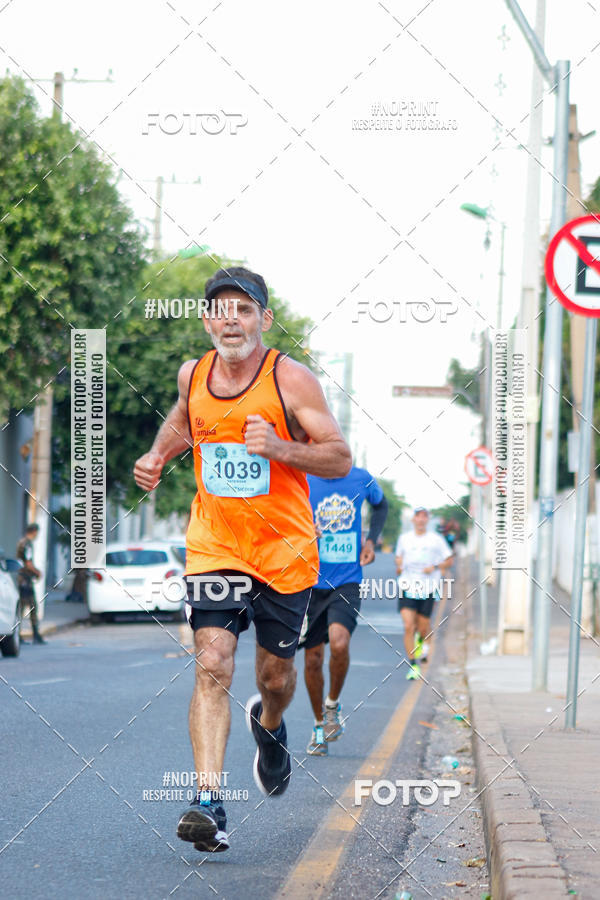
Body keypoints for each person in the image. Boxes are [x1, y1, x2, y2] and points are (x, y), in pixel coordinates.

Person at [133, 266, 351, 854]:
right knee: (214, 660)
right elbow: (185, 421)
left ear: (264, 320)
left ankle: (272, 725)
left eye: (244, 309)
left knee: (273, 678)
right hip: (216, 544)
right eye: (221, 309)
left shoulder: (291, 380)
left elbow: (338, 457)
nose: (232, 319)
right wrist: (157, 455)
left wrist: (279, 447)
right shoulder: (194, 374)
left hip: (284, 552)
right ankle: (209, 802)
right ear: (207, 321)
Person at [300, 467, 388, 755]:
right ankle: (317, 725)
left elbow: (381, 504)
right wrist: (301, 529)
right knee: (313, 659)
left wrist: (372, 540)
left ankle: (332, 706)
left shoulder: (361, 478)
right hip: (307, 581)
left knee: (339, 642)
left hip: (347, 580)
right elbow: (278, 512)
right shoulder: (302, 476)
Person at [395, 507, 452, 680]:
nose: (420, 520)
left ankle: (423, 642)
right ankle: (413, 664)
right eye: (417, 517)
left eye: (424, 517)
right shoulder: (404, 538)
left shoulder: (436, 540)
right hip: (407, 585)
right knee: (408, 626)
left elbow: (449, 560)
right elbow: (398, 557)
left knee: (422, 626)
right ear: (413, 520)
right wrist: (399, 564)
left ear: (427, 520)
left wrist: (434, 567)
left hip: (428, 587)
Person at [16, 523, 46, 645]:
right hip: (25, 580)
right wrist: (37, 572)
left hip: (23, 579)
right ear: (33, 531)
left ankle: (23, 635)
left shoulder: (22, 542)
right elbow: (28, 563)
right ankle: (33, 635)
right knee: (31, 606)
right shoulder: (27, 543)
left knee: (25, 608)